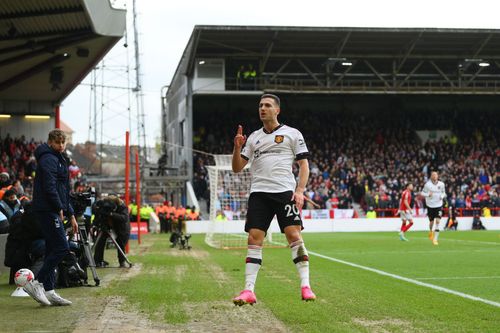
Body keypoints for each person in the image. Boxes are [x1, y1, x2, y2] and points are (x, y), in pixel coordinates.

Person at [232, 93, 316, 306]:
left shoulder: (292, 134)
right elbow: (237, 168)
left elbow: (304, 165)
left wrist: (300, 190)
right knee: (253, 238)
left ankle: (305, 285)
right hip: (259, 193)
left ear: (277, 110)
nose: (262, 108)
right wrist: (236, 147)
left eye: (267, 105)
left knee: (293, 235)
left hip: (284, 193)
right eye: (260, 105)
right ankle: (248, 290)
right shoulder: (253, 137)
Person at [24, 129, 77, 306]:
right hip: (47, 209)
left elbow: (63, 190)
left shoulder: (58, 158)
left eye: (63, 142)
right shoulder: (48, 158)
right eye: (58, 142)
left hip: (52, 208)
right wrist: (59, 207)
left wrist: (71, 213)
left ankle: (49, 290)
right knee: (62, 247)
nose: (61, 145)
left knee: (51, 249)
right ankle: (36, 282)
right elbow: (50, 187)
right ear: (50, 142)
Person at [93, 195, 130, 268]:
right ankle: (98, 261)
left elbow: (124, 218)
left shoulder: (122, 206)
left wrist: (111, 214)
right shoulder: (103, 205)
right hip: (106, 225)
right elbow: (96, 211)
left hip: (120, 228)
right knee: (100, 241)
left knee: (120, 243)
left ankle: (122, 261)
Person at [421, 171, 446, 246]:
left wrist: (442, 196)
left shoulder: (441, 184)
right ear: (431, 176)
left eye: (436, 175)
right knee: (431, 222)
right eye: (433, 175)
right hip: (430, 205)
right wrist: (428, 194)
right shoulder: (427, 185)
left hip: (439, 205)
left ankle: (435, 239)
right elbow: (422, 193)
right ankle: (431, 231)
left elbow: (443, 192)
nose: (435, 176)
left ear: (438, 176)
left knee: (438, 221)